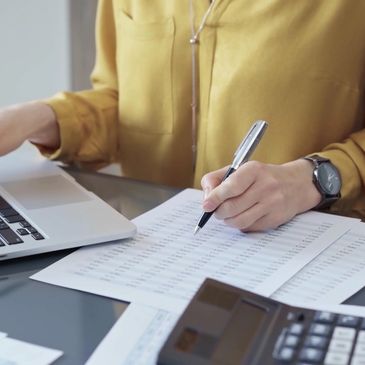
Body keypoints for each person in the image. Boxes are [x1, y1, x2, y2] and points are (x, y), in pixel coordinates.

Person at [1, 0, 364, 232]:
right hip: (146, 255)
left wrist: (316, 179)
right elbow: (128, 105)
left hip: (305, 262)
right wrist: (35, 118)